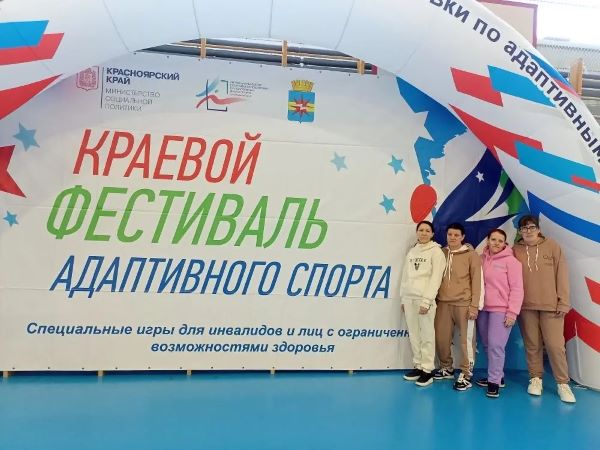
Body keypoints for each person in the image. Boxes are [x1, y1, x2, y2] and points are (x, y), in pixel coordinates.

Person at [513, 215, 576, 403]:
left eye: (531, 227)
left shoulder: (552, 246)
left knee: (555, 346)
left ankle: (562, 383)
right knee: (532, 344)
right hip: (526, 306)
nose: (528, 231)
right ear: (520, 231)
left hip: (551, 306)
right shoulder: (515, 250)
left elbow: (562, 274)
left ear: (538, 229)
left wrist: (563, 301)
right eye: (524, 228)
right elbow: (497, 257)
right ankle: (535, 378)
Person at [434, 222, 483, 391]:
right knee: (441, 338)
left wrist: (475, 305)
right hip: (443, 303)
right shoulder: (441, 253)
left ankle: (466, 373)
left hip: (464, 303)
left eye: (456, 235)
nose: (453, 237)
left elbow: (477, 281)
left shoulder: (471, 255)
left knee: (466, 341)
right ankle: (446, 367)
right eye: (450, 235)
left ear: (463, 237)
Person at [475, 229, 523, 398]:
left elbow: (517, 289)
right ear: (488, 241)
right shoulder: (481, 259)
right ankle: (498, 376)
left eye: (500, 240)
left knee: (496, 346)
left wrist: (512, 313)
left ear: (505, 243)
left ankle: (494, 382)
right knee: (487, 345)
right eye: (493, 239)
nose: (496, 243)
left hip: (501, 310)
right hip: (483, 308)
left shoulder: (512, 262)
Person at [400, 221, 446, 387]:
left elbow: (436, 278)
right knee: (414, 335)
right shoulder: (412, 251)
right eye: (421, 230)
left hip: (424, 300)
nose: (424, 233)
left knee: (426, 335)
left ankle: (427, 370)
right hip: (409, 298)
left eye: (427, 230)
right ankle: (418, 366)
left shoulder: (436, 252)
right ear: (417, 232)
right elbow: (405, 276)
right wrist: (403, 297)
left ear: (432, 234)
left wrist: (427, 301)